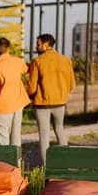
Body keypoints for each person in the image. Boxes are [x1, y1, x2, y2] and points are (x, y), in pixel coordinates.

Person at [28, 34, 76, 165]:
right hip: (60, 103)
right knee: (60, 130)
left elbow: (32, 88)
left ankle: (47, 166)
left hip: (42, 104)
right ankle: (65, 163)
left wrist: (31, 97)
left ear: (46, 44)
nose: (36, 47)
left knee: (44, 135)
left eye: (38, 44)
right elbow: (72, 84)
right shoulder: (66, 60)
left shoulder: (37, 61)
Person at [0, 37, 30, 146]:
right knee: (16, 141)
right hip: (18, 105)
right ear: (8, 49)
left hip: (1, 108)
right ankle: (16, 162)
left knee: (1, 144)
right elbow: (27, 70)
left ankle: (3, 163)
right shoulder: (17, 61)